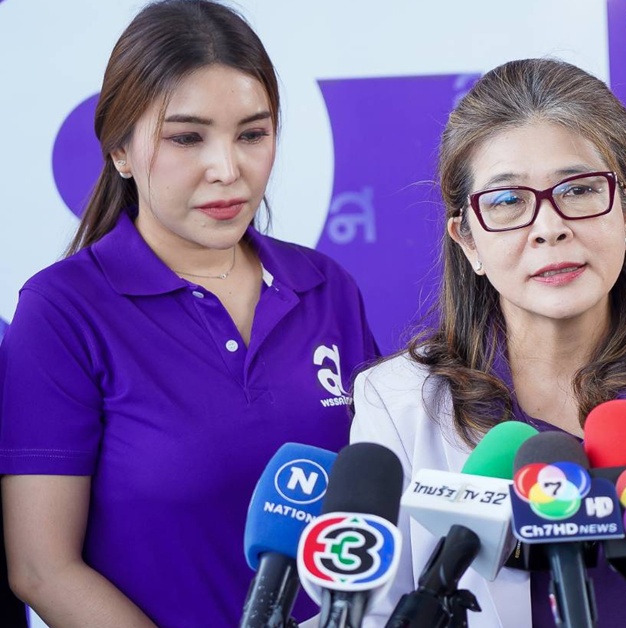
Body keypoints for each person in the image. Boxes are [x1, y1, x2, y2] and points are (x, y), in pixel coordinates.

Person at [350, 57, 626, 627]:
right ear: (468, 241)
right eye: (507, 201)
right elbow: (374, 613)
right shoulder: (397, 403)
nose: (549, 227)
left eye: (580, 190)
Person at [0, 2, 378, 626]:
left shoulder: (326, 288)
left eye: (252, 134)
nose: (228, 170)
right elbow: (42, 567)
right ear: (120, 150)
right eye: (187, 137)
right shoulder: (62, 312)